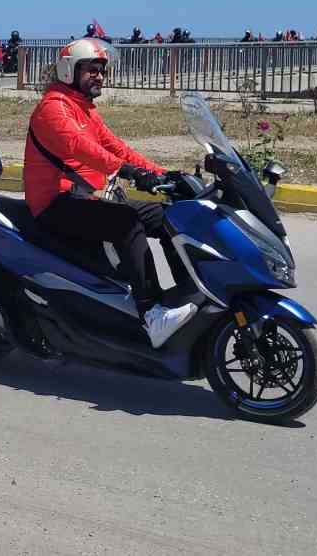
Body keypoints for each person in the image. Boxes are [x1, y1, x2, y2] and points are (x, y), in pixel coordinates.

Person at [24, 38, 197, 348]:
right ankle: (152, 314)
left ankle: (187, 291)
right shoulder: (53, 108)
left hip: (86, 198)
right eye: (92, 70)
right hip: (55, 203)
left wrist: (161, 174)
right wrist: (125, 171)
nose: (99, 77)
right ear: (68, 71)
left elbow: (116, 147)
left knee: (167, 215)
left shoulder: (84, 109)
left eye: (102, 71)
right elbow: (83, 148)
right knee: (126, 223)